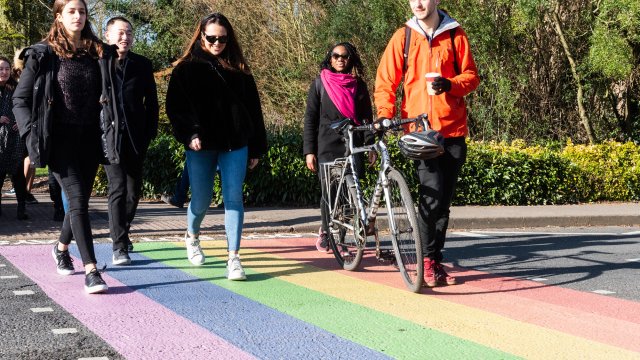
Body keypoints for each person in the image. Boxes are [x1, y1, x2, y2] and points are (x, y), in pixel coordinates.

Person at [13, 0, 122, 294]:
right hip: (57, 138)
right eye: (71, 11)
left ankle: (61, 248)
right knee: (76, 199)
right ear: (59, 17)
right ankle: (91, 270)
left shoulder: (98, 53)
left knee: (79, 202)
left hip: (89, 138)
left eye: (82, 11)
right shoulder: (43, 54)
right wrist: (29, 134)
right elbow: (20, 100)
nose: (78, 16)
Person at [374, 0, 480, 287]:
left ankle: (436, 259)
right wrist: (385, 115)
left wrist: (450, 84)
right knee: (430, 199)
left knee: (443, 205)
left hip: (453, 131)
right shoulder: (403, 36)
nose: (418, 3)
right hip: (420, 131)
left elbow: (471, 76)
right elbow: (385, 82)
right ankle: (426, 262)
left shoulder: (456, 34)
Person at [166, 12, 267, 280]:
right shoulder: (186, 69)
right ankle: (192, 235)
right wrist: (190, 134)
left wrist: (256, 147)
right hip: (201, 144)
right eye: (211, 37)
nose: (217, 43)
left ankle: (233, 258)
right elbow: (176, 108)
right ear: (200, 36)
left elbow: (254, 111)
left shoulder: (240, 69)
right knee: (201, 199)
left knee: (233, 198)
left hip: (236, 142)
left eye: (222, 38)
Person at [302, 42, 375, 253]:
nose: (340, 59)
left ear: (350, 59)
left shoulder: (358, 85)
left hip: (353, 144)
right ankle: (326, 230)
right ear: (330, 58)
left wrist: (370, 144)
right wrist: (309, 151)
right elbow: (310, 120)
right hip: (326, 146)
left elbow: (366, 119)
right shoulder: (319, 84)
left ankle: (341, 237)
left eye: (344, 56)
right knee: (330, 193)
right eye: (336, 56)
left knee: (350, 193)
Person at [103, 16, 159, 263]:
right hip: (108, 136)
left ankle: (122, 233)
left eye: (129, 33)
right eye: (120, 33)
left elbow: (152, 102)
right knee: (117, 188)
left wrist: (149, 132)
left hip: (136, 137)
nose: (125, 37)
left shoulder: (142, 65)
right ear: (108, 36)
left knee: (133, 192)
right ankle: (118, 246)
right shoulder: (99, 63)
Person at [0, 56, 28, 220]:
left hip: (15, 139)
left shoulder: (16, 88)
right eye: (1, 68)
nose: (4, 72)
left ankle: (22, 209)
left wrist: (21, 121)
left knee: (18, 177)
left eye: (7, 69)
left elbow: (27, 107)